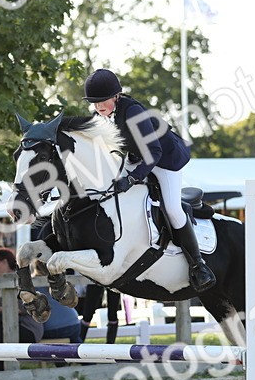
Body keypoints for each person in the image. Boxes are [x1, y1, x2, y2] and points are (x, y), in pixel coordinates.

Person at [83, 67, 215, 292]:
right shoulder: (99, 117)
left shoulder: (133, 112)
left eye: (102, 101)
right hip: (136, 157)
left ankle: (198, 265)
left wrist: (133, 179)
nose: (98, 107)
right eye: (94, 103)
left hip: (164, 159)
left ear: (116, 96)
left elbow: (153, 152)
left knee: (172, 208)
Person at [0, 248, 44, 345]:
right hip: (8, 325)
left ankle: (5, 359)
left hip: (27, 328)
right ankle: (3, 359)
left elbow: (25, 308)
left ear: (4, 261)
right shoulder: (0, 280)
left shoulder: (19, 280)